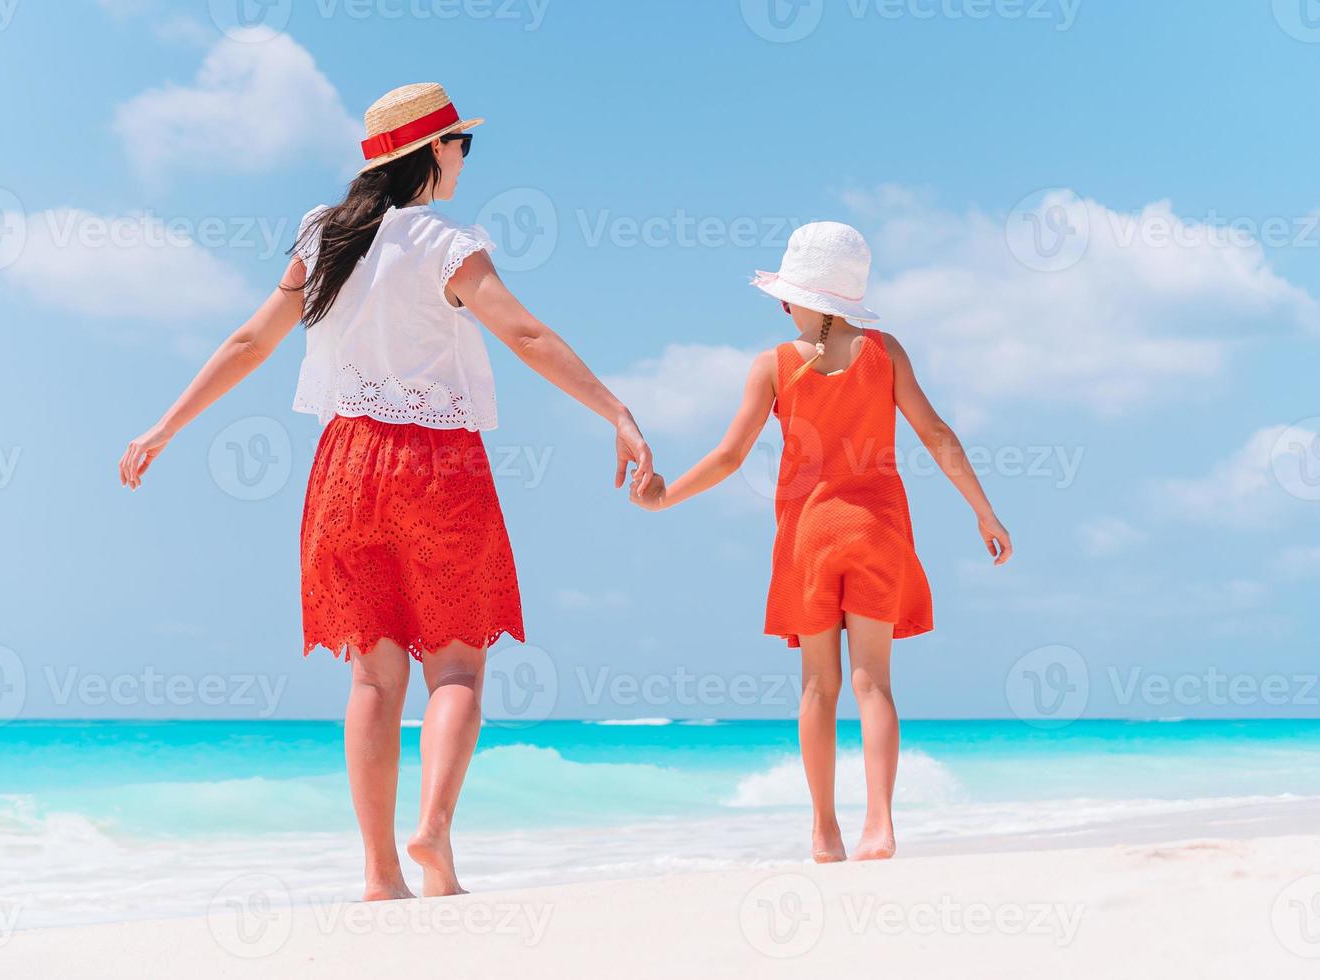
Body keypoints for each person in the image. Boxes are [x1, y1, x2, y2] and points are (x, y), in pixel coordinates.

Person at [119, 82, 655, 898]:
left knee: (372, 678)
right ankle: (433, 833)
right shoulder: (448, 242)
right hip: (437, 466)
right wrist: (615, 410)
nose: (466, 158)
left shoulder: (322, 234)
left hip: (345, 464)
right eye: (462, 145)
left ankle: (379, 875)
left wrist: (163, 427)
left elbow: (249, 339)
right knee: (458, 672)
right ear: (434, 152)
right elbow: (524, 333)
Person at [631, 221, 1010, 862]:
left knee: (817, 687)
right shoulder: (885, 352)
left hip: (810, 534)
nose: (781, 305)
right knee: (875, 686)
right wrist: (984, 510)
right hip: (879, 528)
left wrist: (665, 496)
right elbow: (936, 433)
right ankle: (881, 826)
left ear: (799, 299)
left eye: (785, 294)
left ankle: (824, 831)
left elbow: (728, 457)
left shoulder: (773, 366)